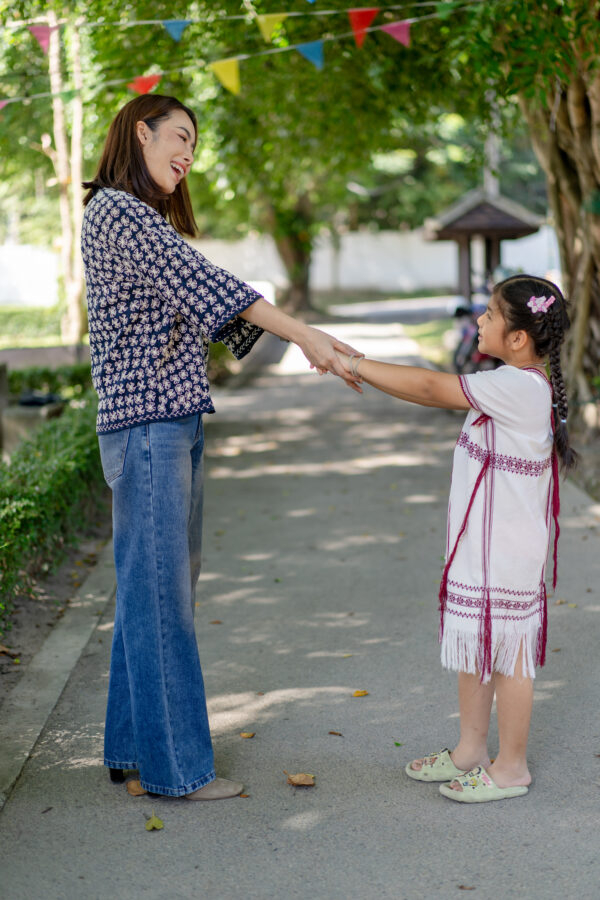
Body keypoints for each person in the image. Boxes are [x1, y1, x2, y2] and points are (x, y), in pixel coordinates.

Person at [81, 94, 361, 801]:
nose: (187, 154)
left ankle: (132, 752)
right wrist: (307, 336)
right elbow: (211, 286)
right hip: (149, 429)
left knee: (152, 593)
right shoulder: (117, 211)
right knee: (162, 597)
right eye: (178, 136)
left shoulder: (137, 217)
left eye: (194, 145)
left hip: (167, 424)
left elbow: (205, 303)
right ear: (139, 132)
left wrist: (303, 341)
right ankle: (176, 772)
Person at [336, 275, 576, 803]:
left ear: (519, 337)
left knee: (508, 653)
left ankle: (511, 767)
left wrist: (353, 364)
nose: (482, 321)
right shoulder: (511, 380)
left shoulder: (518, 386)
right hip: (481, 548)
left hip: (507, 553)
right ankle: (470, 749)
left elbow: (428, 388)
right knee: (476, 644)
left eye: (491, 314)